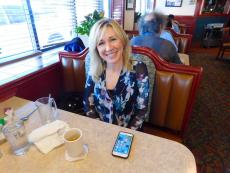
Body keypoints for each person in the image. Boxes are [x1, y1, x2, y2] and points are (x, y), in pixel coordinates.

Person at [83, 18, 149, 130]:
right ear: (96, 49)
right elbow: (88, 105)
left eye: (113, 39)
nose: (108, 48)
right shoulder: (95, 69)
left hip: (129, 132)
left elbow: (141, 111)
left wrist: (124, 136)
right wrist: (101, 130)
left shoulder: (139, 68)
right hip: (100, 130)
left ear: (122, 41)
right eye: (101, 43)